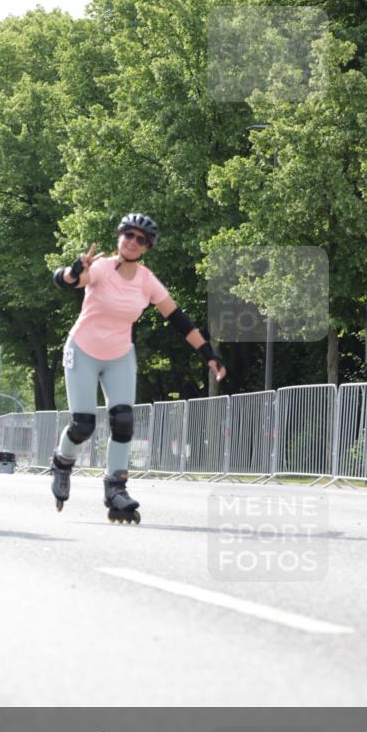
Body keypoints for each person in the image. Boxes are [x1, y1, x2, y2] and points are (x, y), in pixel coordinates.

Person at [51, 212, 226, 522]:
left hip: (120, 355)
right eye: (128, 235)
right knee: (83, 426)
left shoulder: (147, 280)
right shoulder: (102, 268)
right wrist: (74, 269)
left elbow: (178, 318)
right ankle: (63, 463)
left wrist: (208, 353)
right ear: (119, 237)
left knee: (123, 421)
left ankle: (116, 488)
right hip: (83, 351)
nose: (133, 242)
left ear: (147, 247)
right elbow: (68, 281)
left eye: (140, 240)